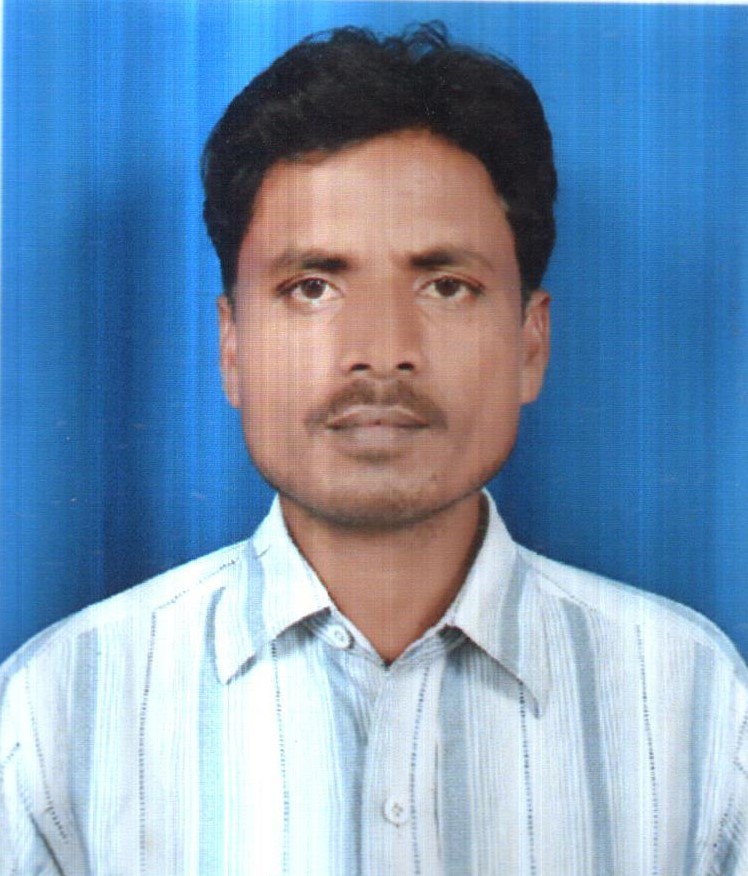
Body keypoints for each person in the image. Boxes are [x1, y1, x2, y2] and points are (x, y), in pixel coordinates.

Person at [1, 23, 746, 875]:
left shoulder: (693, 706)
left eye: (446, 286)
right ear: (232, 347)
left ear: (530, 343)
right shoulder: (59, 713)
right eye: (313, 287)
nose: (381, 352)